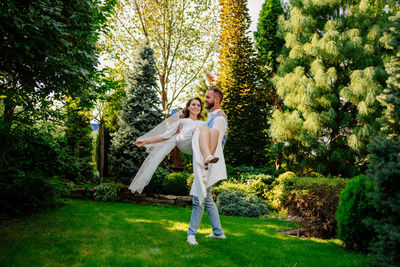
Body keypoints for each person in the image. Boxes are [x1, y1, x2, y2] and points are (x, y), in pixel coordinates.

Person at [186, 87, 228, 245]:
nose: (205, 100)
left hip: (208, 164)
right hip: (207, 163)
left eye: (208, 97)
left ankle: (191, 234)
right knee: (208, 199)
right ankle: (218, 232)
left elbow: (215, 143)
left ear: (217, 100)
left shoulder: (218, 120)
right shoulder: (214, 117)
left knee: (199, 200)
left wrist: (205, 166)